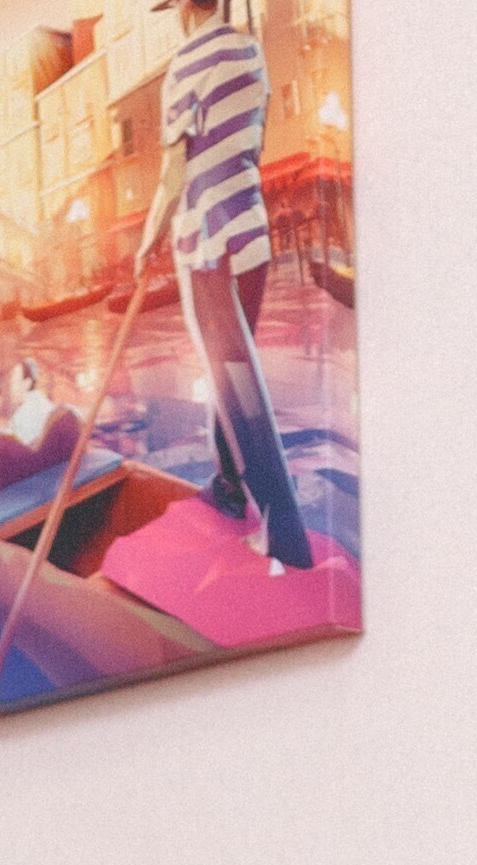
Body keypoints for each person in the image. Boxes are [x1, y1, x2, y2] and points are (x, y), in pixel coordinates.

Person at [146, 0, 313, 573]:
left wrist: (147, 241)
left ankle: (281, 536)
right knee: (234, 375)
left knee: (234, 385)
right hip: (251, 235)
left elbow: (174, 176)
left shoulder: (184, 65)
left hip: (207, 246)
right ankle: (229, 486)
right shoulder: (250, 52)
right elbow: (251, 147)